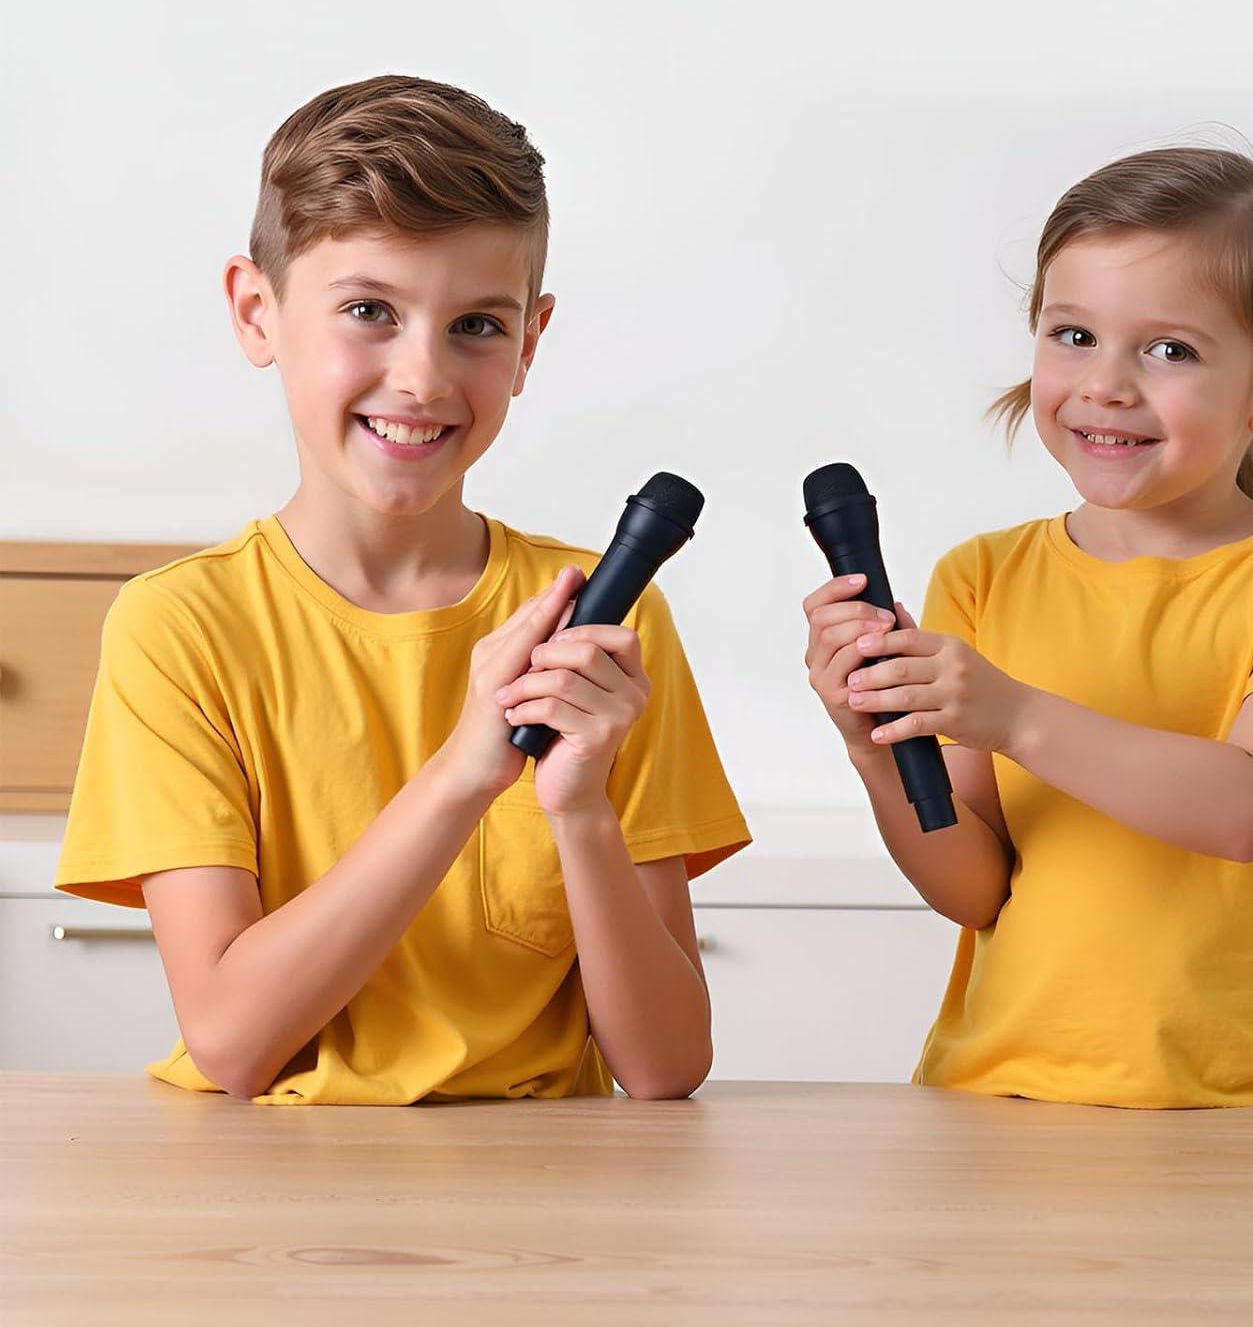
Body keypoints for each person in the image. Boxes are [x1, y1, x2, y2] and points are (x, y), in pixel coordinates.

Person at [57, 75, 749, 1105]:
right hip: (263, 1207)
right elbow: (234, 1046)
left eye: (476, 325)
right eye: (371, 311)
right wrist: (465, 774)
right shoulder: (181, 628)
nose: (423, 377)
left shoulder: (608, 626)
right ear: (258, 312)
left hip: (544, 1209)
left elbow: (664, 1067)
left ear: (529, 342)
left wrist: (582, 814)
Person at [801, 147, 1253, 1107]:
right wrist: (875, 748)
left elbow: (1251, 810)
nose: (1107, 385)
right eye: (1074, 335)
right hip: (999, 1096)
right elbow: (976, 890)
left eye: (1170, 350)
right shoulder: (983, 576)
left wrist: (1013, 716)